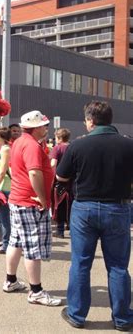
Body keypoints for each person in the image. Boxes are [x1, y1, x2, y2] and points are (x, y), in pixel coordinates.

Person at [56, 101, 133, 331]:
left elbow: (61, 177)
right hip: (118, 208)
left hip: (85, 209)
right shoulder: (128, 145)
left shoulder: (78, 146)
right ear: (110, 119)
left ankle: (77, 314)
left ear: (90, 121)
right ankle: (122, 318)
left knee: (80, 263)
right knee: (118, 266)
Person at [3, 110, 61, 307]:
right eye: (44, 125)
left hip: (19, 200)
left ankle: (10, 280)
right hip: (30, 203)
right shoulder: (31, 145)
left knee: (16, 242)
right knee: (33, 248)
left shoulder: (20, 141)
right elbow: (35, 173)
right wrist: (44, 200)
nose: (46, 127)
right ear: (36, 127)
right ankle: (36, 291)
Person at [49, 128, 72, 238]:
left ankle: (60, 231)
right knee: (71, 205)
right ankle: (72, 229)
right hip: (72, 181)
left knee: (59, 206)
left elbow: (53, 164)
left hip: (59, 182)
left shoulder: (57, 148)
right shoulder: (73, 147)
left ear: (59, 138)